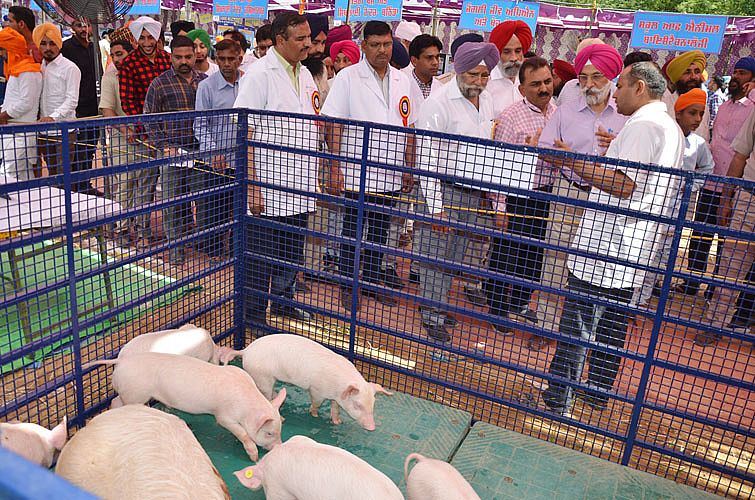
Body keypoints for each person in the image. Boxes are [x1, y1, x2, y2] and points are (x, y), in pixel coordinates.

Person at [541, 62, 683, 414]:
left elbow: (624, 184)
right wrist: (614, 147)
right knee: (611, 328)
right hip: (631, 247)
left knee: (578, 327)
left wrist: (571, 160)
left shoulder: (645, 126)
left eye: (619, 86)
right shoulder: (666, 127)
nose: (614, 94)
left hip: (607, 246)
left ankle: (558, 400)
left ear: (638, 88)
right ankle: (597, 392)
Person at [321, 20, 421, 311]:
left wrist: (409, 166)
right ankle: (348, 285)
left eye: (387, 44)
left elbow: (411, 127)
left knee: (380, 232)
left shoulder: (405, 80)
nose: (382, 50)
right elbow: (334, 125)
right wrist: (336, 167)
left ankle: (373, 281)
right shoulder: (348, 77)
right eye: (375, 44)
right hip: (356, 172)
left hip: (391, 170)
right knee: (352, 231)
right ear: (363, 46)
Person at [233, 12, 321, 330]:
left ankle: (284, 303)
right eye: (300, 38)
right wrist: (253, 186)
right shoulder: (259, 75)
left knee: (290, 251)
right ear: (280, 40)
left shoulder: (306, 74)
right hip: (268, 184)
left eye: (308, 37)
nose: (307, 44)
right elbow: (245, 132)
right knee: (259, 257)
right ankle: (253, 316)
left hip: (299, 182)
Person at [536, 43, 627, 339]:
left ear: (612, 77)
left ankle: (584, 333)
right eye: (584, 77)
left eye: (597, 77)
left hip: (606, 199)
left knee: (596, 264)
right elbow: (545, 148)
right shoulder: (566, 111)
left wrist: (615, 147)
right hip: (568, 192)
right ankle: (545, 325)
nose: (589, 84)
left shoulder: (626, 117)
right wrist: (562, 155)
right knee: (555, 258)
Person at [414, 41, 499, 345]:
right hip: (442, 191)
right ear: (459, 70)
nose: (478, 82)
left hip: (473, 193)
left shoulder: (486, 100)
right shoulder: (438, 103)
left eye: (484, 75)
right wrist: (435, 207)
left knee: (454, 256)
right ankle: (432, 316)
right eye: (473, 75)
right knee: (434, 256)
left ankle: (438, 305)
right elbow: (426, 156)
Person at [489, 57, 557, 346]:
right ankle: (497, 308)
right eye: (536, 84)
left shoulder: (558, 113)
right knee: (506, 255)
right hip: (515, 195)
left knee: (533, 256)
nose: (543, 89)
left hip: (545, 194)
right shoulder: (510, 117)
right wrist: (500, 207)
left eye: (547, 81)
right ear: (522, 88)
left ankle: (518, 303)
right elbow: (498, 166)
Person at [681, 57, 755, 299]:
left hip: (733, 184)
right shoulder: (724, 105)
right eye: (735, 72)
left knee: (726, 240)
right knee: (700, 233)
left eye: (742, 73)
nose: (736, 77)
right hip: (712, 179)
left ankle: (715, 289)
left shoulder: (752, 107)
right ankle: (691, 282)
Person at [635, 88, 714, 306]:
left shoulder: (698, 144)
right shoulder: (665, 135)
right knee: (643, 251)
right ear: (678, 113)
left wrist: (690, 186)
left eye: (700, 114)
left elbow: (708, 167)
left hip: (677, 208)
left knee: (661, 258)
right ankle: (629, 301)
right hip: (653, 203)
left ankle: (642, 300)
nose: (697, 119)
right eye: (692, 113)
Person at [699, 79, 755, 345]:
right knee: (731, 264)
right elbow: (740, 155)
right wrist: (728, 198)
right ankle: (714, 323)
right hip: (749, 197)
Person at [143, 35, 207, 266]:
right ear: (171, 57)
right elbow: (149, 118)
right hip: (171, 151)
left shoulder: (205, 81)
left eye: (188, 56)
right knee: (171, 202)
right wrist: (164, 146)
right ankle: (176, 249)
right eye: (178, 57)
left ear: (195, 55)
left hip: (200, 151)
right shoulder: (159, 83)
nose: (183, 61)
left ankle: (203, 243)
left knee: (202, 200)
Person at [119, 16, 171, 248]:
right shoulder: (129, 64)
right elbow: (128, 102)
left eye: (151, 37)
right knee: (144, 186)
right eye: (143, 38)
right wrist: (142, 129)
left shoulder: (168, 60)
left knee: (170, 186)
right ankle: (141, 231)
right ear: (136, 39)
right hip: (144, 136)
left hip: (169, 134)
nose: (147, 42)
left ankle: (173, 233)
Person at [194, 39, 241, 260]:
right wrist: (214, 152)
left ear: (240, 58)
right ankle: (214, 252)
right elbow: (200, 125)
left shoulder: (249, 83)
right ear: (216, 59)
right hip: (218, 161)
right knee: (217, 209)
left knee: (242, 208)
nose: (226, 64)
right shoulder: (206, 87)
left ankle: (236, 251)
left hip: (244, 160)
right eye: (221, 59)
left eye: (231, 59)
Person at [100, 37, 137, 246]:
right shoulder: (110, 76)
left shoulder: (140, 72)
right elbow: (107, 110)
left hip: (144, 137)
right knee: (123, 184)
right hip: (121, 138)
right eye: (113, 55)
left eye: (120, 54)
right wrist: (126, 130)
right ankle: (121, 228)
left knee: (144, 185)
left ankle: (142, 227)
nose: (116, 59)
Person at [34, 23, 80, 179]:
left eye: (52, 43)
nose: (48, 47)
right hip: (44, 131)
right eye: (43, 43)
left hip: (64, 131)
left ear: (59, 44)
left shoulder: (70, 68)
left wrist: (52, 117)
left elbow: (72, 101)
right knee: (52, 175)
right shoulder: (40, 67)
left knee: (64, 177)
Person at [61, 19, 101, 194]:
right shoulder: (67, 48)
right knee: (77, 150)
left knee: (90, 147)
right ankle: (75, 187)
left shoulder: (95, 47)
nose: (83, 29)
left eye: (86, 25)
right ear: (72, 28)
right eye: (79, 25)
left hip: (94, 107)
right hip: (77, 108)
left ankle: (85, 184)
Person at [0, 28, 42, 181]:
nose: (1, 54)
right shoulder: (18, 70)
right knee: (23, 177)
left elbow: (26, 102)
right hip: (13, 131)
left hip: (20, 133)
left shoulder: (28, 72)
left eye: (3, 50)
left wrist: (4, 115)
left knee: (7, 174)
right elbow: (13, 99)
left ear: (12, 50)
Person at [662, 50, 711, 142]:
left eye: (697, 72)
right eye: (687, 72)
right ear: (677, 76)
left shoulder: (704, 108)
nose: (693, 77)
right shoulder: (664, 105)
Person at [487, 20, 531, 115]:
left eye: (518, 51)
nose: (514, 58)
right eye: (506, 52)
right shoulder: (485, 83)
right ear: (497, 53)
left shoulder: (529, 80)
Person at [408, 34, 443, 101]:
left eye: (437, 57)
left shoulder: (441, 88)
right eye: (429, 58)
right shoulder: (402, 85)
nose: (435, 62)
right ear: (414, 61)